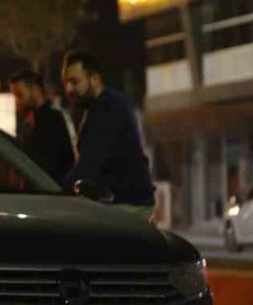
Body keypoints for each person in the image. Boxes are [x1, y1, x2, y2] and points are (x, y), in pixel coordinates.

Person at [60, 51, 156, 219]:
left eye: (75, 82)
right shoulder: (98, 107)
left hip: (126, 204)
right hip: (118, 201)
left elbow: (89, 164)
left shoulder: (108, 109)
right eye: (66, 82)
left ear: (94, 79)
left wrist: (55, 192)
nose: (69, 89)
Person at [10, 69, 75, 186]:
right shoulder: (30, 120)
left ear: (35, 90)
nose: (17, 101)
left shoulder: (53, 119)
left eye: (20, 94)